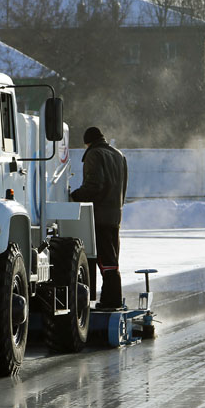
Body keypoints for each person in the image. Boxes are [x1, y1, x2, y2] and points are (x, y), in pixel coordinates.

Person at [70, 126, 128, 309]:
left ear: (88, 142)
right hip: (114, 214)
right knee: (112, 258)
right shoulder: (118, 155)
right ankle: (113, 297)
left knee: (103, 259)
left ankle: (111, 300)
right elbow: (123, 187)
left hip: (99, 215)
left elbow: (95, 185)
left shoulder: (94, 154)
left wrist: (75, 196)